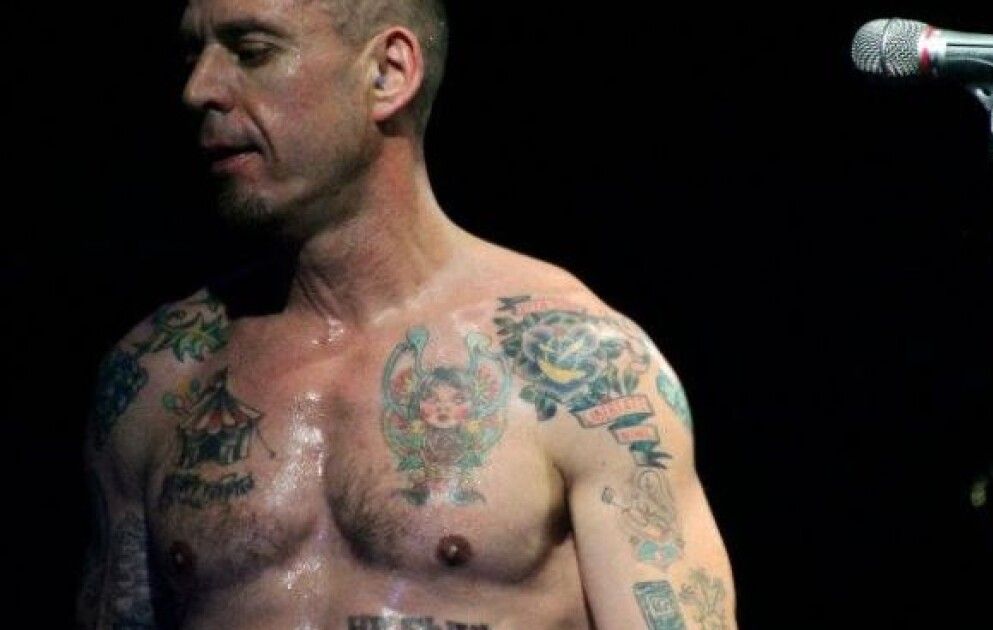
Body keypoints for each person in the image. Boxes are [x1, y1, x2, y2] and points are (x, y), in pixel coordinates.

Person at [77, 0, 737, 627]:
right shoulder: (159, 378)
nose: (198, 89)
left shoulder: (576, 366)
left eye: (252, 52)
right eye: (192, 56)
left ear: (387, 73)